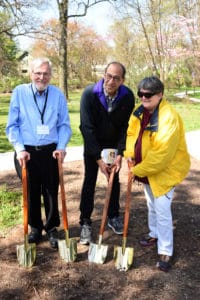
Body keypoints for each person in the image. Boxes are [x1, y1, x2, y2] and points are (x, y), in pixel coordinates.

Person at [124, 76, 190, 271]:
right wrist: (129, 155)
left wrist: (136, 170)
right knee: (151, 203)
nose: (143, 98)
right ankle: (154, 233)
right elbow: (130, 134)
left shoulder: (168, 117)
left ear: (160, 94)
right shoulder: (139, 111)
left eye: (148, 95)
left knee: (162, 210)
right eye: (140, 94)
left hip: (164, 171)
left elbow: (162, 156)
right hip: (145, 169)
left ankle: (166, 251)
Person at [6, 57, 72, 249]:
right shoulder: (20, 92)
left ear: (50, 75)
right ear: (31, 73)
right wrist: (19, 149)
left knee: (51, 191)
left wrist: (61, 147)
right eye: (38, 73)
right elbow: (12, 125)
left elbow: (64, 125)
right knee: (31, 191)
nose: (41, 77)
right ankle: (35, 227)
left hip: (50, 152)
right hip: (26, 152)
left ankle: (52, 228)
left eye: (45, 73)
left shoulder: (58, 95)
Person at [79, 61, 135, 245]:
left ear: (122, 80)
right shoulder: (89, 94)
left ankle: (113, 216)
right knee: (90, 180)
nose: (111, 81)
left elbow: (124, 127)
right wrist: (97, 158)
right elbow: (86, 128)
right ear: (104, 74)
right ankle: (85, 221)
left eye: (116, 78)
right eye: (108, 76)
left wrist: (119, 153)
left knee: (113, 180)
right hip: (93, 143)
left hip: (112, 145)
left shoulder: (127, 97)